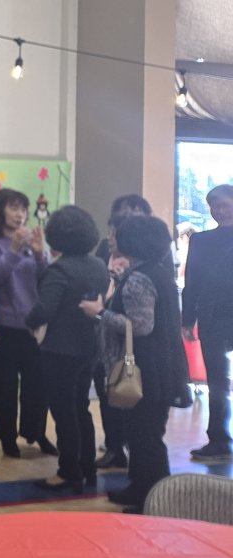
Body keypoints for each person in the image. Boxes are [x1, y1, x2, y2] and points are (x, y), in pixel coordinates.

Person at [80, 215, 189, 510]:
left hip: (144, 368)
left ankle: (151, 496)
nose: (112, 240)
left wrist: (99, 313)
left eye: (116, 235)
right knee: (144, 432)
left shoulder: (140, 277)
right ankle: (140, 487)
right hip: (159, 364)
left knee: (145, 435)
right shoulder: (158, 272)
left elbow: (139, 326)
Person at [24, 206, 109, 493]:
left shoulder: (60, 269)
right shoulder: (98, 265)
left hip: (60, 350)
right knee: (81, 407)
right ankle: (87, 467)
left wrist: (28, 322)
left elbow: (44, 309)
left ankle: (69, 471)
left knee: (63, 412)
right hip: (89, 346)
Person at [0, 188, 55, 457]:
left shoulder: (33, 243)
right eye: (13, 208)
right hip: (2, 326)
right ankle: (7, 438)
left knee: (38, 384)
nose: (20, 214)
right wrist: (13, 249)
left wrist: (39, 255)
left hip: (33, 327)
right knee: (4, 387)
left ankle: (36, 432)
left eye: (23, 209)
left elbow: (47, 280)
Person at [92, 194, 152, 471]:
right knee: (108, 390)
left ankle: (131, 447)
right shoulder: (104, 249)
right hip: (104, 333)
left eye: (135, 213)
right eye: (123, 214)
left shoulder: (149, 258)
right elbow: (96, 284)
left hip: (131, 339)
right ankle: (114, 445)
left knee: (131, 391)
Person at [181, 184, 233, 463]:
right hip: (212, 317)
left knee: (219, 380)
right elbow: (192, 281)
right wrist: (187, 319)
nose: (220, 211)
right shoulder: (200, 240)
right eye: (215, 206)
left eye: (225, 205)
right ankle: (218, 439)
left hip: (217, 315)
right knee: (217, 381)